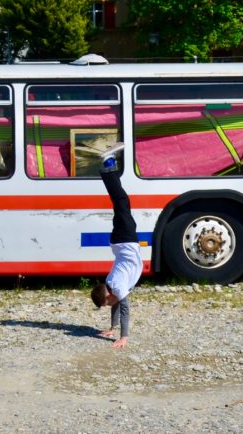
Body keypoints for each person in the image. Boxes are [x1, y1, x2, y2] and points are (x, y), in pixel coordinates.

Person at [90, 146, 142, 349]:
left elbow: (124, 309)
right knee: (120, 202)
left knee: (121, 201)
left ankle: (108, 163)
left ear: (107, 295)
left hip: (125, 239)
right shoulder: (111, 286)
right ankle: (110, 165)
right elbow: (116, 304)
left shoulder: (117, 287)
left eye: (105, 303)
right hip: (121, 241)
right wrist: (112, 327)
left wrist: (123, 338)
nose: (107, 306)